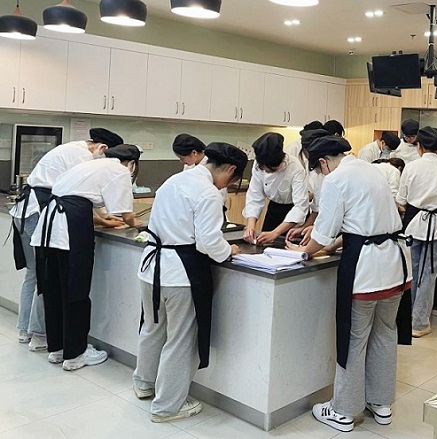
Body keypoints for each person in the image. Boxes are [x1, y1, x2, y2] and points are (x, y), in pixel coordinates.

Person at [286, 136, 410, 433]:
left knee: (354, 338)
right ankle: (381, 404)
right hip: (395, 266)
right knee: (385, 333)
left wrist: (303, 251)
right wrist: (329, 245)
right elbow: (364, 223)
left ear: (323, 162)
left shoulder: (336, 179)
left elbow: (325, 232)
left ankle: (343, 410)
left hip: (366, 271)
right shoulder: (373, 171)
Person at [133, 142, 247, 423]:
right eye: (232, 180)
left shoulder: (174, 180)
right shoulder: (207, 193)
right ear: (230, 169)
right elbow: (208, 242)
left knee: (152, 328)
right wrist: (228, 250)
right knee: (181, 339)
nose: (228, 186)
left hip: (151, 267)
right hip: (180, 274)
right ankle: (167, 406)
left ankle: (144, 383)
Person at [10, 128, 123, 351]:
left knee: (34, 274)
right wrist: (104, 220)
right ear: (102, 148)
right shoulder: (82, 157)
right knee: (46, 276)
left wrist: (101, 217)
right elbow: (75, 198)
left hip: (25, 209)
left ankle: (25, 330)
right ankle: (40, 335)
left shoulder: (72, 148)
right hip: (38, 210)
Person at [32, 144, 140, 371]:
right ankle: (75, 354)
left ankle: (57, 348)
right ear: (131, 164)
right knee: (76, 288)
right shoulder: (120, 170)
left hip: (50, 223)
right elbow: (126, 214)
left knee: (54, 288)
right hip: (71, 225)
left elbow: (80, 200)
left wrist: (106, 220)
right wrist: (137, 224)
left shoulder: (91, 165)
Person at [396, 127, 437, 338]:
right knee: (429, 275)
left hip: (413, 225)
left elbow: (401, 200)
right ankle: (420, 323)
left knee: (410, 273)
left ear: (419, 146)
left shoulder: (412, 167)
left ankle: (407, 319)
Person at [243, 133, 309, 245]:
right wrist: (250, 226)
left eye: (271, 169)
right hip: (273, 210)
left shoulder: (295, 168)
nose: (266, 171)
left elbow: (300, 207)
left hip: (292, 215)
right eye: (263, 169)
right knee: (263, 245)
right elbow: (255, 196)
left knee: (289, 248)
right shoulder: (258, 165)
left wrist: (275, 233)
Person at [286, 128, 332, 246]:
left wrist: (307, 249)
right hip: (326, 230)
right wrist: (305, 227)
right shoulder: (317, 172)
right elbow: (317, 209)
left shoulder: (339, 174)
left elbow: (335, 217)